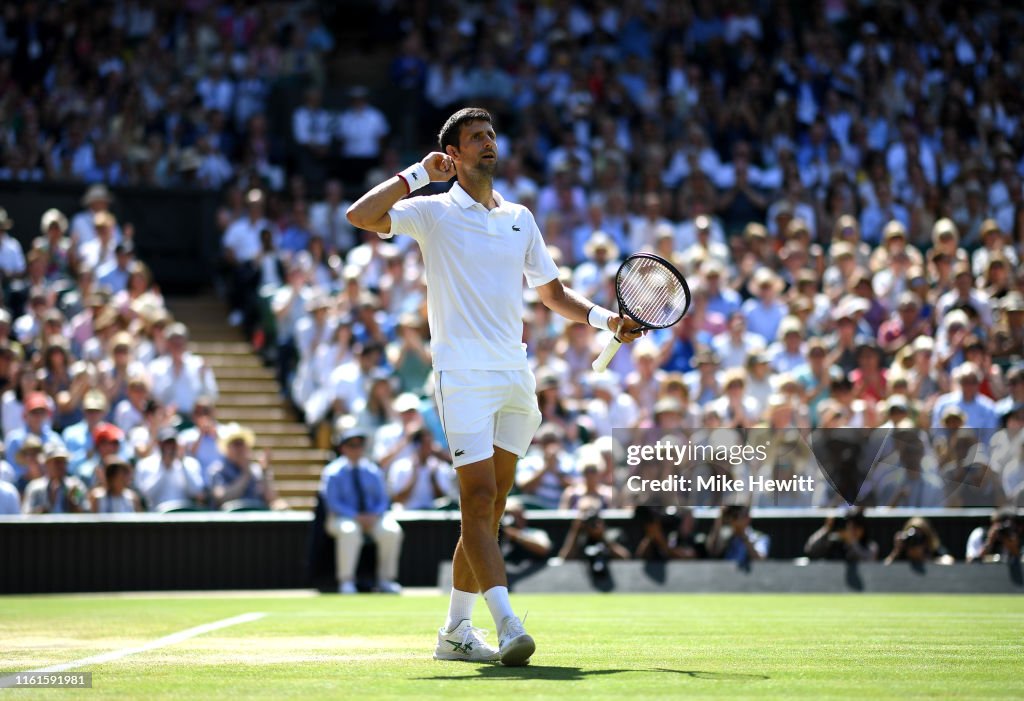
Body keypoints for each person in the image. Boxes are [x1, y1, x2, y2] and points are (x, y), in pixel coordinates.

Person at [346, 107, 644, 665]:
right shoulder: (431, 211)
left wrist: (607, 320)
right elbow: (359, 216)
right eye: (475, 138)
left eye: (491, 135)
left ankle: (454, 632)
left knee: (492, 508)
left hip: (515, 376)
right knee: (478, 501)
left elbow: (553, 294)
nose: (488, 143)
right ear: (453, 155)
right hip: (461, 377)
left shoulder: (520, 218)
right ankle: (507, 624)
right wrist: (416, 174)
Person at [322, 424, 404, 595]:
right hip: (341, 518)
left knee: (392, 531)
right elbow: (333, 503)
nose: (357, 449)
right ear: (343, 448)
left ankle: (386, 580)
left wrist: (373, 515)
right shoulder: (332, 472)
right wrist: (356, 517)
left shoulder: (373, 471)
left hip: (372, 518)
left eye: (360, 445)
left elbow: (383, 499)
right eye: (352, 445)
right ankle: (347, 580)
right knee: (349, 531)